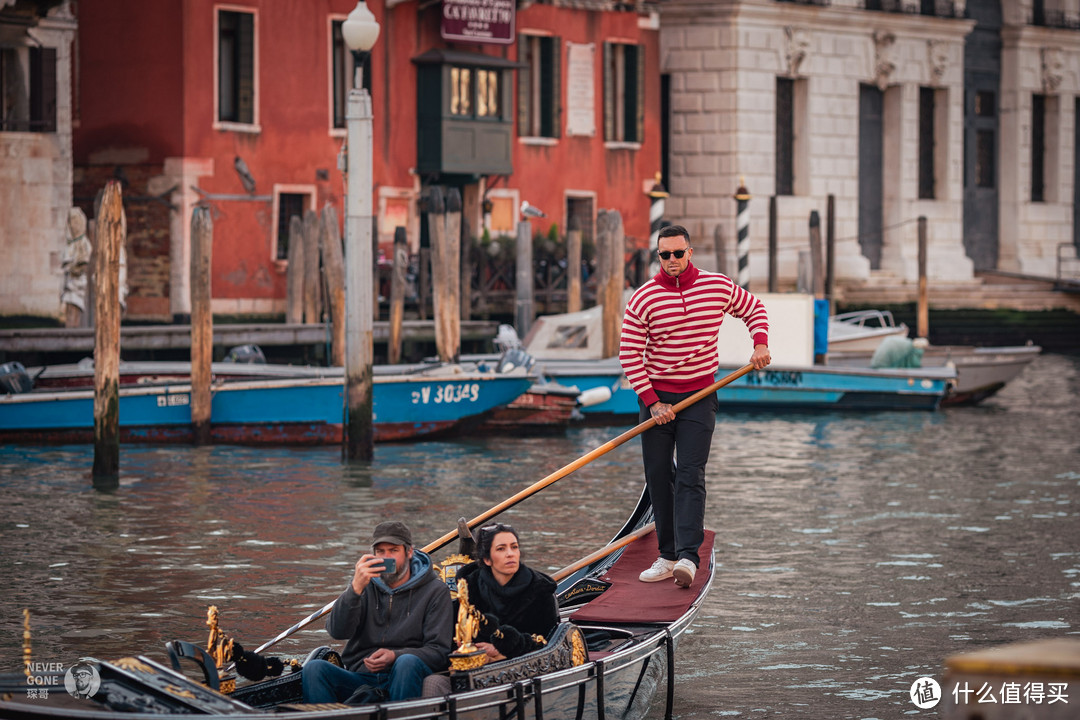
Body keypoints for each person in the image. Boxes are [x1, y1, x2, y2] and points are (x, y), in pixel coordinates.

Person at [619, 225, 771, 588]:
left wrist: (760, 344)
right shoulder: (643, 298)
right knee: (658, 475)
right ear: (658, 256)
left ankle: (687, 556)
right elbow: (629, 355)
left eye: (678, 253)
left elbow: (754, 308)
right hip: (656, 398)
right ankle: (666, 555)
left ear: (690, 253)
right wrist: (654, 403)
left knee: (690, 474)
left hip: (700, 396)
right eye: (664, 255)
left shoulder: (716, 286)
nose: (672, 261)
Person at [301, 521, 452, 704]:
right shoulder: (363, 585)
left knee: (406, 662)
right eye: (381, 552)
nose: (386, 557)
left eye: (393, 550)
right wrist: (354, 590)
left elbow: (439, 652)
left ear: (409, 552)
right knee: (314, 668)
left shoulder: (436, 591)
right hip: (361, 677)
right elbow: (337, 632)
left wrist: (394, 656)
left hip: (408, 676)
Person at [456, 523, 558, 661]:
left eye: (514, 547)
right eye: (501, 549)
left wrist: (500, 650)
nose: (510, 554)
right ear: (487, 559)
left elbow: (547, 642)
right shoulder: (468, 588)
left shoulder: (541, 591)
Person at [60, 208, 92, 328]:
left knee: (75, 309)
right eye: (71, 221)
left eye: (76, 221)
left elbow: (82, 265)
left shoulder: (84, 244)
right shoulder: (71, 244)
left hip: (77, 283)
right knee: (68, 310)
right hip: (69, 283)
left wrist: (73, 268)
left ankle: (74, 331)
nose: (74, 225)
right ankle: (68, 332)